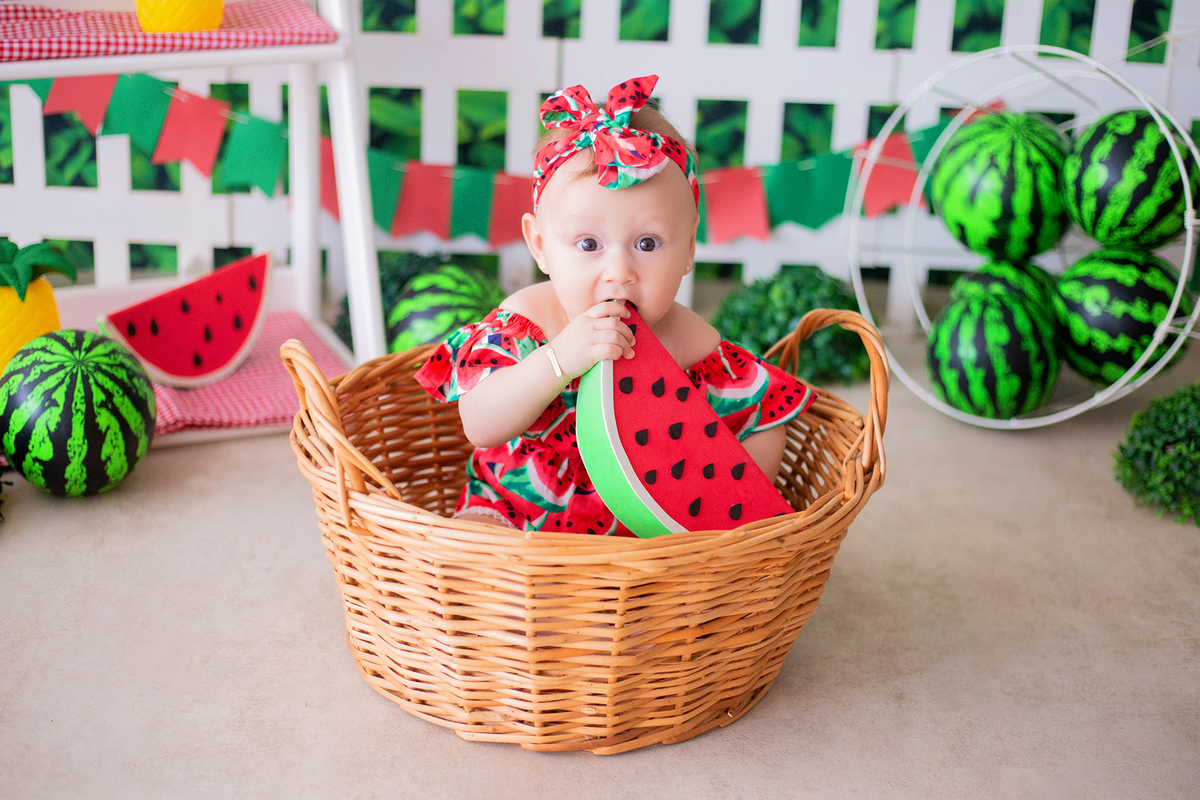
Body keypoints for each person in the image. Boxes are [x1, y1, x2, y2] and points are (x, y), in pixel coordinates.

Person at [415, 75, 816, 536]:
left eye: (648, 242)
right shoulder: (527, 321)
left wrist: (729, 514)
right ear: (540, 246)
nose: (620, 271)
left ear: (688, 250)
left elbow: (765, 416)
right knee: (470, 545)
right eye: (588, 244)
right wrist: (558, 359)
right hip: (514, 515)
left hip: (645, 536)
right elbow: (480, 424)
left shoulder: (693, 344)